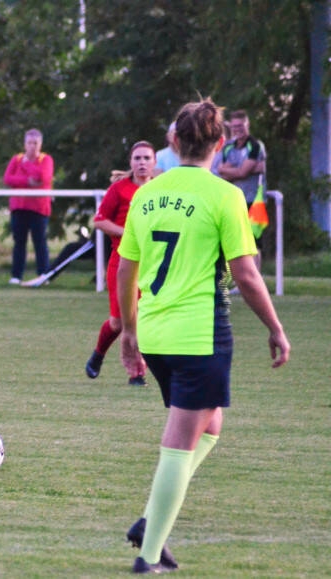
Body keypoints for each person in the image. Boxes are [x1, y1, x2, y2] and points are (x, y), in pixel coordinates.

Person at [116, 98, 290, 574]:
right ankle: (149, 555)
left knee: (210, 426)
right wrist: (275, 328)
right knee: (180, 443)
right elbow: (246, 274)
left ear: (173, 142)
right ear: (220, 143)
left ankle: (150, 519)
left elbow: (126, 270)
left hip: (156, 333)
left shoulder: (147, 193)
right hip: (200, 334)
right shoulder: (224, 195)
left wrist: (129, 330)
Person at [85, 141, 156, 387]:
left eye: (147, 158)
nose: (142, 162)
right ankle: (99, 353)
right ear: (130, 162)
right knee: (118, 322)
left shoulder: (159, 189)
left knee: (142, 319)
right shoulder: (119, 189)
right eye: (137, 158)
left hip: (151, 263)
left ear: (155, 162)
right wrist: (127, 233)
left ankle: (137, 373)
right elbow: (100, 221)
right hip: (122, 261)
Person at [217, 110, 267, 270]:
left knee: (254, 241)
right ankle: (238, 278)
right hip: (235, 199)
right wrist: (241, 170)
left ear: (248, 124)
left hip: (254, 200)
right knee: (237, 241)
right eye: (234, 126)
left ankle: (256, 276)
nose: (237, 129)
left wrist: (236, 171)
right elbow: (221, 171)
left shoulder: (255, 145)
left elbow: (242, 172)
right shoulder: (228, 147)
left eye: (240, 125)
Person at [3, 128, 53, 284]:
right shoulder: (16, 159)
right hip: (19, 207)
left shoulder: (46, 159)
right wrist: (27, 181)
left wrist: (26, 166)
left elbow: (43, 177)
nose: (32, 146)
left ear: (40, 144)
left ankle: (43, 275)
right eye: (29, 143)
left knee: (40, 242)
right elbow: (8, 179)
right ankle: (16, 276)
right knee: (19, 242)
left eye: (35, 143)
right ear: (25, 144)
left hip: (39, 208)